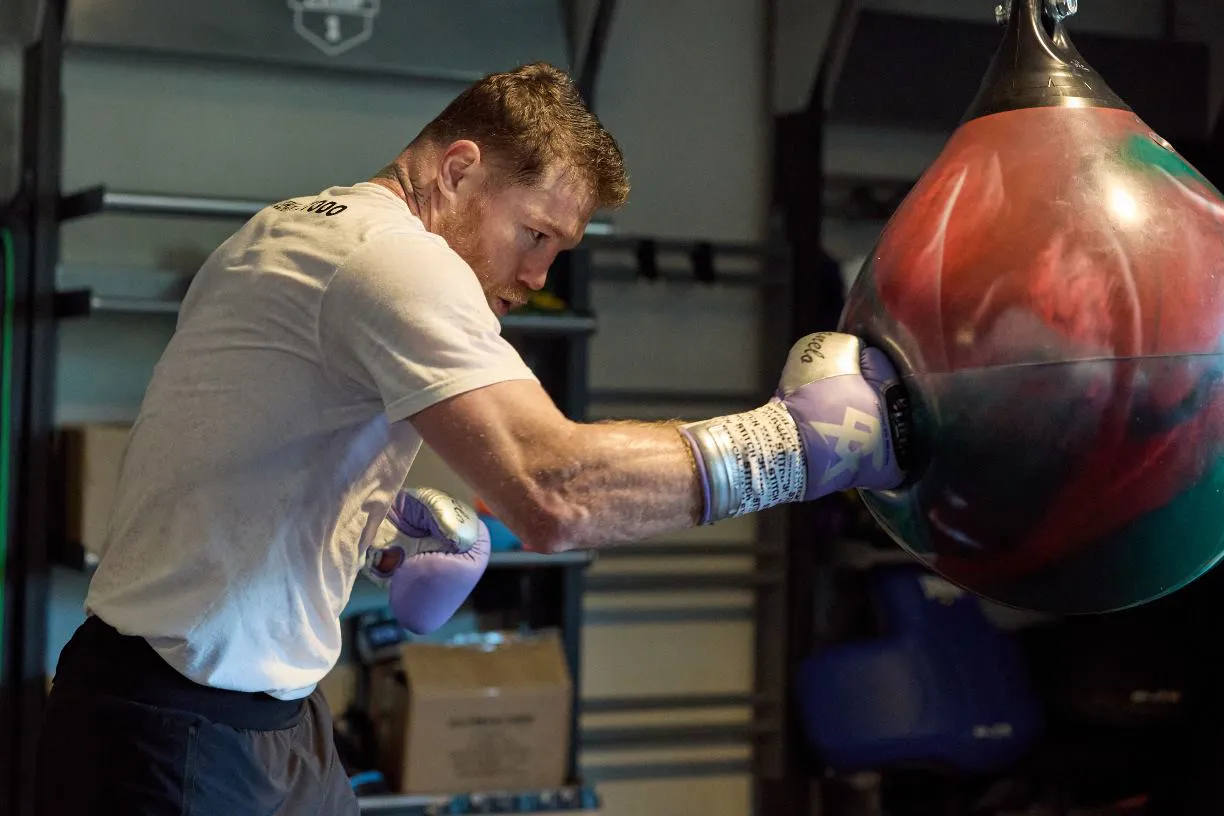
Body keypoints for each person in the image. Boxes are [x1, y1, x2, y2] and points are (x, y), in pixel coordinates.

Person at [33, 62, 910, 814]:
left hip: (245, 715)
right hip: (184, 732)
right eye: (535, 234)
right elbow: (556, 493)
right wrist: (793, 450)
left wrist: (368, 529)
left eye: (558, 252)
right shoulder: (396, 260)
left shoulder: (285, 229)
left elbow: (224, 434)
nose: (535, 276)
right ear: (458, 168)